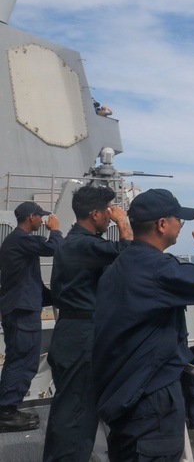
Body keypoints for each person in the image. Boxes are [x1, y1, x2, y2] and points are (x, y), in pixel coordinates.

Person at [92, 188, 194, 462]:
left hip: (122, 396)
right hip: (149, 404)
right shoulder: (155, 269)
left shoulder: (118, 266)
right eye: (179, 220)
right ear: (162, 224)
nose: (181, 226)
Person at [43, 184, 132, 462]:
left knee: (68, 409)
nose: (109, 216)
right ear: (95, 214)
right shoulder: (83, 245)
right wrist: (124, 220)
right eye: (107, 211)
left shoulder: (73, 243)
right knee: (77, 414)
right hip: (81, 336)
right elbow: (128, 251)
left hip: (71, 332)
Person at [0, 201, 62, 432]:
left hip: (19, 308)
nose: (43, 221)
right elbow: (56, 248)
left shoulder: (16, 242)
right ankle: (6, 412)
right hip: (23, 312)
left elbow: (28, 280)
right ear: (31, 217)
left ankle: (6, 409)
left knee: (17, 359)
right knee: (23, 361)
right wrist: (55, 229)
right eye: (41, 217)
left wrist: (56, 297)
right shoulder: (21, 240)